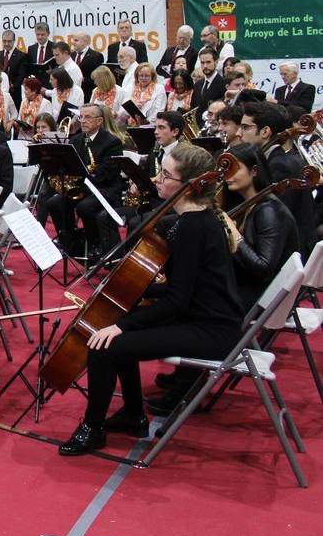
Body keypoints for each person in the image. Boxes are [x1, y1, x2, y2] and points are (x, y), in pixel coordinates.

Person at [59, 143, 243, 456]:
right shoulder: (197, 219)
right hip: (204, 317)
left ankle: (93, 428)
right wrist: (131, 293)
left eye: (166, 174)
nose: (157, 179)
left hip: (211, 330)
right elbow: (186, 289)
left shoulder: (193, 227)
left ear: (187, 186)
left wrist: (121, 326)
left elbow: (178, 300)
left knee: (103, 346)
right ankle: (132, 413)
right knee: (121, 329)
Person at [222, 143, 299, 313]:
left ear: (254, 171)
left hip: (261, 296)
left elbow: (263, 267)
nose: (228, 175)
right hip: (245, 286)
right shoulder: (244, 203)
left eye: (235, 169)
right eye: (226, 169)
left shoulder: (269, 210)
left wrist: (233, 233)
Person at [42, 104, 125, 261]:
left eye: (88, 117)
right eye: (81, 117)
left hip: (103, 189)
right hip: (81, 188)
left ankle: (95, 244)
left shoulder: (112, 142)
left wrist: (81, 179)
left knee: (84, 207)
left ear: (99, 121)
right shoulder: (75, 140)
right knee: (54, 203)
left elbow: (107, 173)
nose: (83, 121)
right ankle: (70, 241)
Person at [239, 102, 315, 258]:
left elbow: (275, 221)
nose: (239, 133)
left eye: (245, 127)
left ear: (265, 131)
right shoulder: (276, 159)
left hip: (290, 257)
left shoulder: (280, 166)